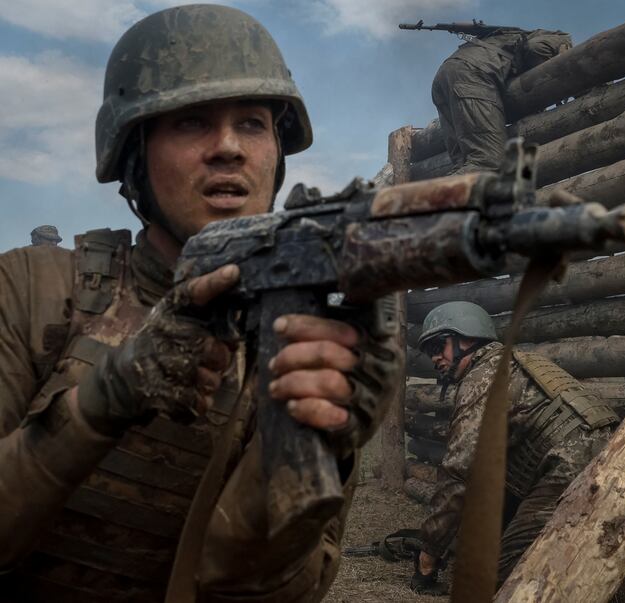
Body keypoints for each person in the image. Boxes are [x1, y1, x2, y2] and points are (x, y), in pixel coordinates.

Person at [0, 5, 401, 602]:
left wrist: (313, 443)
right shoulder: (36, 291)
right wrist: (105, 400)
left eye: (253, 123)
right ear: (135, 154)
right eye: (191, 123)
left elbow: (276, 592)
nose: (228, 148)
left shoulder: (300, 341)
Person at [409, 301, 625, 598]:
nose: (434, 357)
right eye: (428, 351)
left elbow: (459, 474)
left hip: (572, 472)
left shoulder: (483, 378)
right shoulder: (516, 363)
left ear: (468, 340)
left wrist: (428, 554)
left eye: (438, 345)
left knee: (505, 580)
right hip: (617, 461)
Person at [432, 27, 572, 174]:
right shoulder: (560, 38)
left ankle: (435, 193)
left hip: (444, 75)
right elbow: (536, 49)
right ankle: (427, 196)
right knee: (487, 162)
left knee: (463, 165)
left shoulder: (503, 37)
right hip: (471, 73)